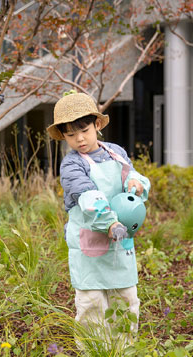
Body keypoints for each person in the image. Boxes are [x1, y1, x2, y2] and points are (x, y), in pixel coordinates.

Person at [47, 92, 151, 336]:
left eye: (84, 130)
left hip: (120, 243)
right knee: (91, 304)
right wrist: (110, 223)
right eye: (71, 135)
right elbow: (89, 197)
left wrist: (136, 184)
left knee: (126, 300)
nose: (80, 139)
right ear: (63, 136)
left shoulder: (116, 152)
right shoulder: (72, 165)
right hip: (89, 245)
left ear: (97, 124)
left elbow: (131, 174)